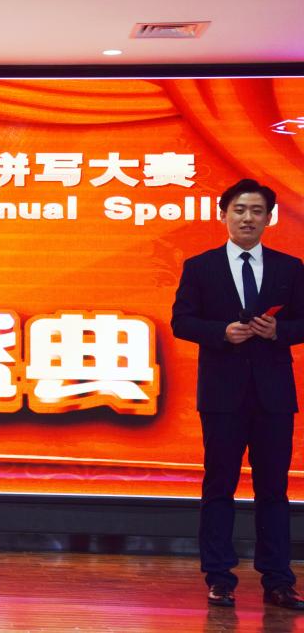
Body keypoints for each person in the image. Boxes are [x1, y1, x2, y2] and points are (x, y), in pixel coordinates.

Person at [172, 178, 304, 610]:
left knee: (273, 490)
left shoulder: (290, 267)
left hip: (273, 397)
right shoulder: (200, 267)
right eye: (240, 210)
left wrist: (279, 331)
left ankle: (278, 581)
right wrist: (221, 333)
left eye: (257, 211)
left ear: (270, 218)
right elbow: (181, 321)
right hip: (222, 396)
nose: (248, 218)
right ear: (223, 214)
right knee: (219, 486)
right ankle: (219, 578)